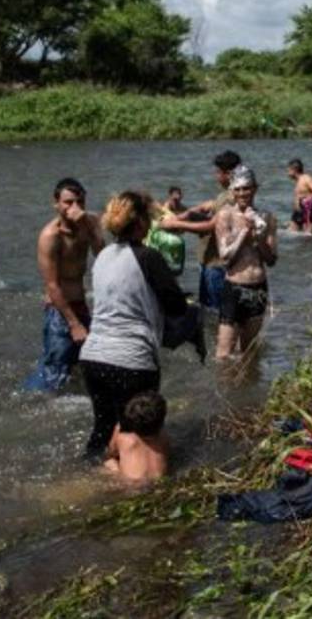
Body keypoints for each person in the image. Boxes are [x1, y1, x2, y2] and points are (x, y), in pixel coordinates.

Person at [79, 191, 198, 460]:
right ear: (142, 223)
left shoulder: (103, 256)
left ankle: (92, 478)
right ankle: (139, 488)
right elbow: (177, 307)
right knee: (140, 436)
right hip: (132, 361)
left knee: (103, 429)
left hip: (92, 357)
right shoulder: (149, 257)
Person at [25, 177, 104, 392]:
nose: (75, 207)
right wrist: (74, 324)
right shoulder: (51, 236)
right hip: (60, 312)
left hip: (81, 305)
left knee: (86, 366)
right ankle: (35, 399)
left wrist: (87, 227)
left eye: (80, 202)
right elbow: (51, 285)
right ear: (56, 203)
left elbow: (104, 257)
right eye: (68, 202)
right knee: (55, 372)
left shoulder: (89, 223)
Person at [214, 166, 277, 360]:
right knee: (224, 354)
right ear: (232, 191)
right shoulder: (225, 215)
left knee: (248, 352)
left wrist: (258, 238)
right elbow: (225, 256)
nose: (243, 193)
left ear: (255, 189)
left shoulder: (266, 217)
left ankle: (247, 386)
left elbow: (272, 260)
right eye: (238, 189)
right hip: (234, 287)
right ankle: (225, 389)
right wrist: (244, 233)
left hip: (258, 288)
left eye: (247, 188)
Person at [175, 151, 242, 311]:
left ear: (228, 174)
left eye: (218, 172)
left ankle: (218, 336)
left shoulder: (233, 196)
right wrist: (192, 212)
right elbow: (211, 205)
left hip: (217, 264)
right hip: (208, 261)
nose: (215, 176)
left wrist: (176, 224)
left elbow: (211, 226)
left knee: (216, 312)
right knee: (206, 309)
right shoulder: (226, 194)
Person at [103, 390, 169, 484]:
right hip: (159, 481)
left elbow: (110, 454)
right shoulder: (164, 437)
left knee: (109, 462)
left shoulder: (124, 438)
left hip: (132, 484)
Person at [286, 159, 312, 235]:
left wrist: (309, 200)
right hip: (297, 211)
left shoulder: (306, 178)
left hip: (307, 209)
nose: (287, 173)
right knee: (290, 233)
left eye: (288, 170)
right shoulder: (298, 180)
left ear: (294, 170)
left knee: (307, 235)